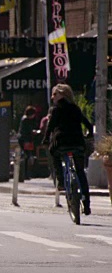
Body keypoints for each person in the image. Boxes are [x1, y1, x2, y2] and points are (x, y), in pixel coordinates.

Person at [42, 83, 93, 215]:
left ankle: (60, 182)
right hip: (77, 142)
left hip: (61, 142)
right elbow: (87, 124)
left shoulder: (56, 109)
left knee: (54, 153)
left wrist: (46, 139)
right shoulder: (75, 108)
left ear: (62, 95)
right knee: (80, 172)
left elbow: (50, 127)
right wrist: (89, 134)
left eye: (55, 94)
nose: (53, 97)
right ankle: (86, 203)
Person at [18, 106, 38, 180]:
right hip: (25, 140)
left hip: (24, 139)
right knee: (26, 156)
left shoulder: (24, 119)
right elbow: (27, 130)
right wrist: (33, 132)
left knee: (26, 156)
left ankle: (25, 174)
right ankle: (25, 174)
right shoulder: (26, 120)